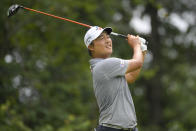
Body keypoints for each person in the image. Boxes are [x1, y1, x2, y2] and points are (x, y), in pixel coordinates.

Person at [84, 26, 147, 131]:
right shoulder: (106, 65)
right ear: (91, 46)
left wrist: (142, 50)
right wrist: (136, 45)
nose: (108, 41)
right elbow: (138, 63)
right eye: (101, 38)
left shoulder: (108, 69)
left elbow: (131, 77)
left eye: (108, 37)